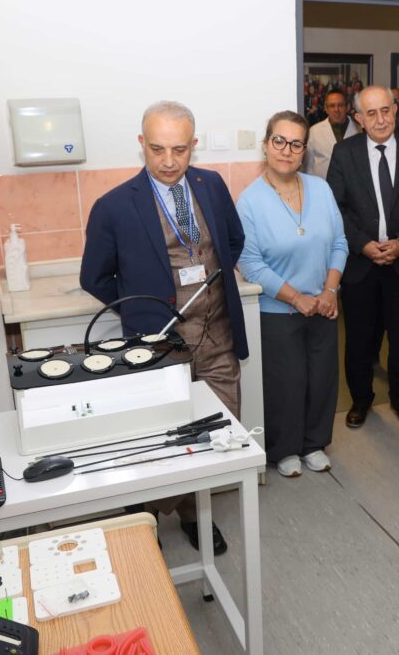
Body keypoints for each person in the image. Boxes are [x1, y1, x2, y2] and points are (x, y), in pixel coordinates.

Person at [80, 101, 250, 556]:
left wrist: (211, 278)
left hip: (217, 338)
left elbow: (233, 240)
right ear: (142, 144)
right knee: (160, 440)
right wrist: (141, 309)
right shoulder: (115, 206)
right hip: (157, 347)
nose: (169, 161)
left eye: (179, 149)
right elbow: (94, 277)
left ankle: (195, 514)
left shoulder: (211, 185)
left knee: (214, 436)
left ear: (194, 144)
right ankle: (145, 518)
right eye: (158, 149)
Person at [237, 111, 348, 477]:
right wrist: (296, 298)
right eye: (279, 141)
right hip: (278, 310)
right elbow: (250, 264)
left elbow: (340, 243)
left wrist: (330, 290)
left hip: (323, 305)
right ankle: (284, 449)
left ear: (304, 151)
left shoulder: (321, 189)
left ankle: (314, 444)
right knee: (286, 384)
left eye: (296, 144)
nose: (286, 150)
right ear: (266, 145)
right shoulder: (250, 201)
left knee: (322, 379)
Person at [326, 85, 399, 430]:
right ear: (359, 118)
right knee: (359, 340)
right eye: (371, 113)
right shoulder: (344, 153)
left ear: (396, 110)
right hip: (362, 266)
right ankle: (360, 400)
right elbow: (336, 208)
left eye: (386, 110)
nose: (380, 119)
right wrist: (362, 244)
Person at [304, 88, 359, 178]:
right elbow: (308, 166)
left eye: (340, 105)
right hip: (322, 184)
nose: (336, 110)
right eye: (332, 106)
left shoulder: (358, 130)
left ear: (347, 107)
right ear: (326, 108)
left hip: (352, 184)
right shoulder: (314, 131)